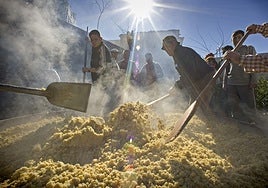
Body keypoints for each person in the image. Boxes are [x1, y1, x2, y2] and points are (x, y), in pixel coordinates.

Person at [161, 35, 215, 112]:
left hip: (205, 80)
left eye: (165, 47)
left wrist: (176, 86)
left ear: (172, 44)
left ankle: (212, 122)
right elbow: (184, 74)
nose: (165, 50)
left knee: (198, 110)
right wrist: (177, 86)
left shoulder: (182, 53)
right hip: (198, 82)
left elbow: (189, 73)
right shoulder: (177, 54)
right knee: (194, 109)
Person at [222, 29, 257, 124]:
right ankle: (238, 121)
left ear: (243, 38)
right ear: (232, 40)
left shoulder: (249, 49)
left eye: (239, 37)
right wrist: (225, 83)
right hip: (231, 83)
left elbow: (254, 65)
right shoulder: (229, 52)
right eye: (234, 38)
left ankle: (252, 121)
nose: (237, 39)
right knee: (234, 104)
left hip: (245, 82)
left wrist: (253, 80)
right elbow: (226, 68)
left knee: (248, 103)